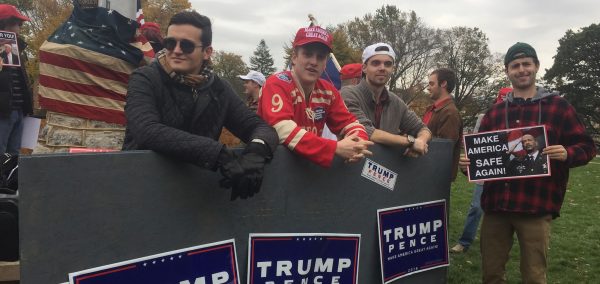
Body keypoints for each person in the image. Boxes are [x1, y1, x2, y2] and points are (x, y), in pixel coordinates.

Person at [458, 42, 596, 283]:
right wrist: (469, 165)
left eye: (526, 64)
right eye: (515, 66)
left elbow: (587, 146)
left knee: (533, 275)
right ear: (507, 71)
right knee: (491, 273)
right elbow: (482, 157)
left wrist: (567, 153)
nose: (521, 70)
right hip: (496, 206)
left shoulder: (558, 107)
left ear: (536, 67)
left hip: (536, 205)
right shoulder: (495, 113)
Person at [123, 11, 278, 199]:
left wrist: (256, 152)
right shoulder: (144, 78)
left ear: (207, 52)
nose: (176, 50)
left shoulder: (219, 88)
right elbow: (147, 130)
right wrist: (218, 154)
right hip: (142, 189)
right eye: (170, 43)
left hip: (195, 197)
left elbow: (259, 127)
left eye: (186, 45)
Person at [258, 26, 373, 167]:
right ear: (294, 57)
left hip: (308, 172)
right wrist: (334, 148)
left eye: (320, 57)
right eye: (307, 54)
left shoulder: (328, 91)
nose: (314, 62)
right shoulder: (276, 83)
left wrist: (357, 145)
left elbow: (351, 124)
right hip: (270, 169)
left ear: (325, 63)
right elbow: (282, 130)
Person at [341, 43, 431, 157]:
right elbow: (365, 130)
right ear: (364, 68)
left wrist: (421, 142)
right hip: (350, 168)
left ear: (393, 69)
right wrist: (411, 142)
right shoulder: (348, 93)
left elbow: (423, 128)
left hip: (386, 168)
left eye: (388, 64)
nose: (382, 68)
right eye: (376, 63)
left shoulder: (396, 102)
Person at [450, 87, 512, 254]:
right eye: (501, 101)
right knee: (477, 207)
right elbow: (476, 142)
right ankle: (464, 241)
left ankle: (499, 247)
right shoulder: (485, 118)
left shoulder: (516, 120)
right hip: (488, 169)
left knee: (505, 212)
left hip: (510, 172)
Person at [0, 4, 33, 156]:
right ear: (4, 24)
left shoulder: (17, 48)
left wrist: (27, 107)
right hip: (3, 113)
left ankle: (12, 181)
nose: (20, 28)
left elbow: (23, 80)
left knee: (14, 157)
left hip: (19, 110)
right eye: (17, 24)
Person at [423, 67, 462, 180]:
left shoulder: (450, 113)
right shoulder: (431, 109)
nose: (428, 88)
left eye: (431, 84)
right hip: (423, 171)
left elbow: (443, 150)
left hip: (436, 176)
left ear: (443, 83)